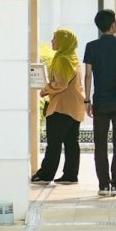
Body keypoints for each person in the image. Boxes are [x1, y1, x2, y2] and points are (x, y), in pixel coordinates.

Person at [83, 8, 116, 196]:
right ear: (113, 25)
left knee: (100, 144)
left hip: (100, 102)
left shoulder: (91, 46)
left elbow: (88, 75)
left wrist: (87, 100)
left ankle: (103, 185)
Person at [31, 27, 84, 184]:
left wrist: (46, 90)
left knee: (54, 143)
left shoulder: (63, 59)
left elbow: (60, 83)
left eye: (56, 39)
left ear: (64, 42)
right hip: (74, 106)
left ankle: (46, 174)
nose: (53, 41)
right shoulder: (73, 58)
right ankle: (70, 175)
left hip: (61, 106)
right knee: (71, 143)